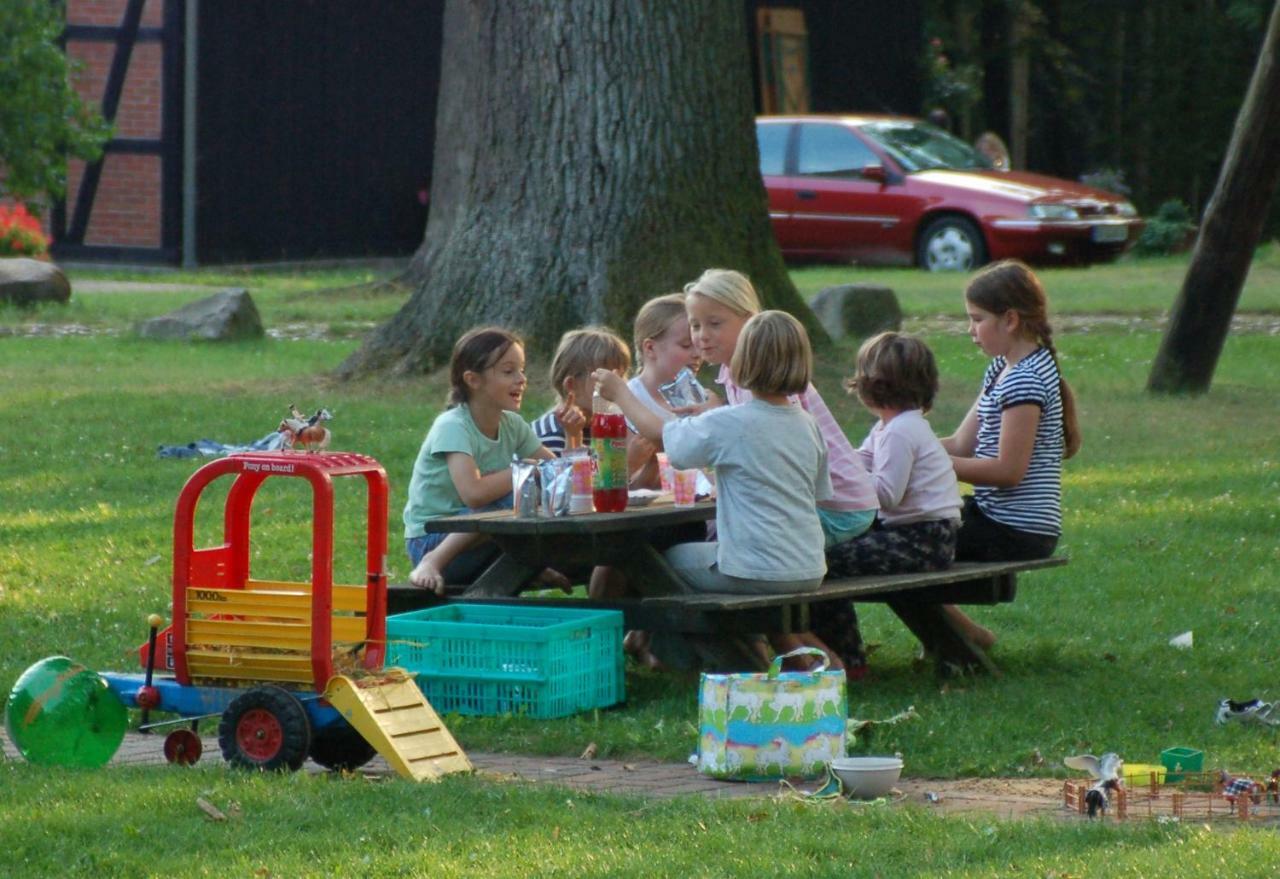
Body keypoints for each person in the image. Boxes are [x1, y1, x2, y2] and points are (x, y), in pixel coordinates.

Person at [592, 310, 830, 601]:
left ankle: (662, 636)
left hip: (752, 568)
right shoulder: (807, 424)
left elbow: (660, 436)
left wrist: (620, 394)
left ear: (743, 361)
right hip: (809, 566)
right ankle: (651, 640)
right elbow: (819, 493)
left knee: (654, 559)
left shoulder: (730, 421)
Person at [939, 259, 1082, 646]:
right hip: (994, 520)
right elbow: (960, 444)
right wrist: (889, 448)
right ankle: (961, 639)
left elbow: (1008, 471)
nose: (970, 330)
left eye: (977, 319)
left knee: (905, 543)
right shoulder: (1003, 369)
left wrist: (933, 465)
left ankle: (963, 640)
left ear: (1010, 320)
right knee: (900, 533)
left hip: (1015, 531)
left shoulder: (1026, 378)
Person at [683, 268, 878, 547]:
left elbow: (776, 449)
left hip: (839, 508)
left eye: (715, 324)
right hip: (814, 502)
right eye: (695, 325)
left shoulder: (767, 381)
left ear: (750, 322)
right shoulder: (733, 375)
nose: (702, 336)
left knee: (731, 539)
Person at [803, 332, 963, 672]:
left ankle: (846, 658)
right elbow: (856, 460)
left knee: (822, 564)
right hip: (920, 536)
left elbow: (888, 494)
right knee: (823, 556)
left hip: (922, 540)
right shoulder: (888, 427)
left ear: (870, 386)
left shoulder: (900, 432)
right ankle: (840, 654)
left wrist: (847, 485)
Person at [404, 327, 570, 594]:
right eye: (508, 371)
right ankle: (430, 563)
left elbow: (556, 473)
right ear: (473, 379)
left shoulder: (513, 424)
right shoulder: (453, 426)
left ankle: (526, 566)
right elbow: (474, 494)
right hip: (433, 540)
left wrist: (572, 437)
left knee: (535, 493)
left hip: (480, 542)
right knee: (515, 495)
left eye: (522, 370)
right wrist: (525, 472)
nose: (521, 379)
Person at [624, 293, 703, 488]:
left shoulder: (695, 394)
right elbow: (629, 486)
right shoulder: (627, 400)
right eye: (686, 345)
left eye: (699, 344)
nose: (697, 354)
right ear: (650, 348)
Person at [531, 327, 630, 455]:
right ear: (572, 386)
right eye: (606, 377)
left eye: (621, 377)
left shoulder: (611, 427)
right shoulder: (548, 437)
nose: (618, 385)